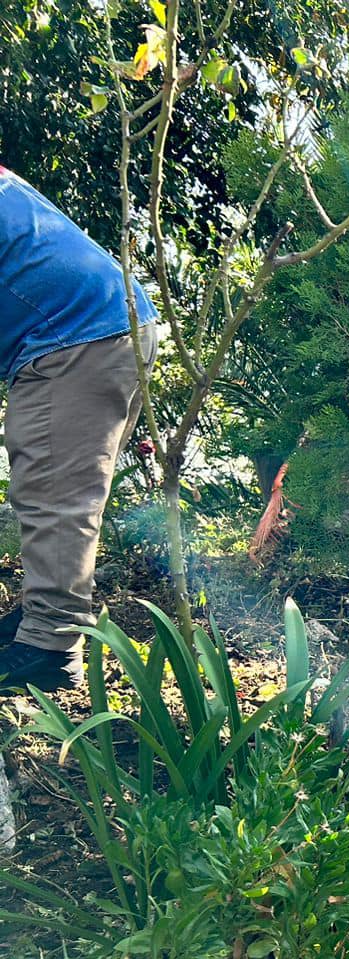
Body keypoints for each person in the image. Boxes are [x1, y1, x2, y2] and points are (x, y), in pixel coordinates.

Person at [0, 165, 158, 693]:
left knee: (53, 493)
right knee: (59, 490)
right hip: (111, 322)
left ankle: (49, 648)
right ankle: (39, 619)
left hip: (75, 335)